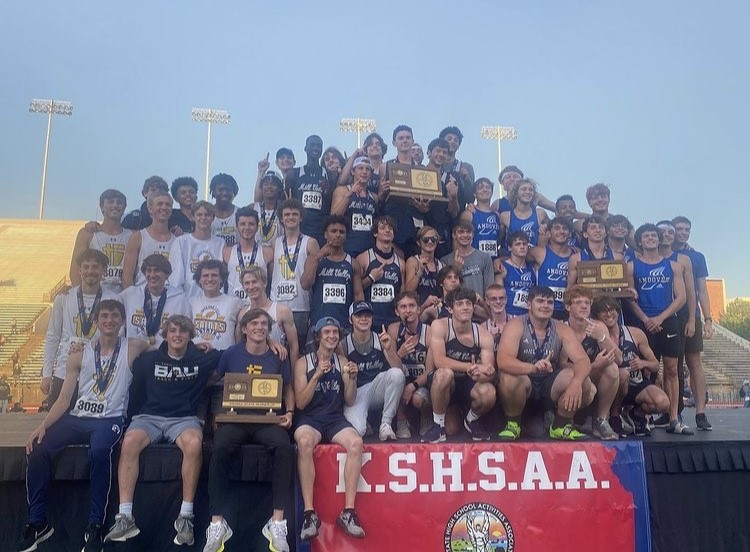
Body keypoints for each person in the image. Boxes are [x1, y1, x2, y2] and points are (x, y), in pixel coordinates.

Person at [20, 300, 148, 552]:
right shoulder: (79, 353)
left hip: (109, 419)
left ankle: (95, 526)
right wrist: (42, 426)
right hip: (78, 417)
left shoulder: (132, 348)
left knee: (100, 452)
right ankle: (38, 523)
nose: (109, 320)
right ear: (96, 321)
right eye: (104, 316)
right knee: (38, 449)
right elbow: (65, 398)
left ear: (122, 321)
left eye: (114, 316)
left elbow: (151, 342)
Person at [104, 316, 220, 547]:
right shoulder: (148, 360)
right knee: (128, 442)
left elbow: (236, 354)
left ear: (190, 336)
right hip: (149, 417)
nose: (177, 335)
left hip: (183, 419)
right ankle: (125, 517)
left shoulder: (202, 359)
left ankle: (186, 517)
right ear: (165, 334)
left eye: (183, 332)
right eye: (173, 331)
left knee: (195, 444)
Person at [201, 309, 294, 552]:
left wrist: (290, 413)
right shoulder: (231, 353)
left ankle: (276, 522)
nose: (260, 327)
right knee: (219, 447)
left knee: (284, 447)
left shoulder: (279, 354)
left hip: (267, 420)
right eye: (254, 323)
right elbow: (213, 379)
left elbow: (288, 388)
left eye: (264, 323)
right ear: (243, 329)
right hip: (235, 419)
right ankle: (217, 524)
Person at [293, 317, 365, 541]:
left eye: (335, 332)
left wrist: (352, 378)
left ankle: (349, 512)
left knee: (356, 443)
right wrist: (316, 375)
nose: (332, 336)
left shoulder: (342, 360)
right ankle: (309, 513)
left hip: (334, 418)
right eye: (327, 332)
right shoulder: (303, 363)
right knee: (304, 442)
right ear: (318, 336)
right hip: (310, 418)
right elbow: (300, 403)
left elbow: (350, 400)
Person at [496, 286, 594, 441]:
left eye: (550, 302)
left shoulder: (562, 328)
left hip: (549, 383)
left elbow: (583, 360)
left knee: (583, 381)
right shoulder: (515, 325)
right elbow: (503, 361)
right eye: (540, 301)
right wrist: (533, 367)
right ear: (529, 304)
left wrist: (576, 382)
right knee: (509, 376)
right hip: (525, 381)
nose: (545, 306)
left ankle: (561, 425)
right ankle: (513, 424)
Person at [627, 223, 690, 434]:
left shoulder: (673, 266)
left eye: (654, 235)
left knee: (672, 370)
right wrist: (646, 319)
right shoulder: (631, 266)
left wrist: (660, 318)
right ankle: (644, 417)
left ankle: (674, 418)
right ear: (640, 241)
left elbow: (681, 297)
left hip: (668, 321)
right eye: (647, 236)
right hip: (644, 322)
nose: (651, 238)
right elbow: (629, 297)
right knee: (647, 370)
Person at [43, 249, 121, 408]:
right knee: (56, 427)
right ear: (79, 270)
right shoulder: (63, 298)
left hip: (96, 373)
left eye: (95, 267)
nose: (90, 271)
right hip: (64, 372)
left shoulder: (113, 299)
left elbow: (119, 338)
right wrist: (46, 374)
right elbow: (53, 336)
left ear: (104, 270)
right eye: (86, 267)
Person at [421, 287, 496, 443]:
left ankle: (471, 420)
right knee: (444, 374)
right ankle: (438, 426)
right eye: (460, 304)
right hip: (445, 385)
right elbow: (440, 361)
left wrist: (480, 374)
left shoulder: (483, 334)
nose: (465, 307)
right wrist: (470, 366)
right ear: (450, 308)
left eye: (469, 303)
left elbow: (489, 371)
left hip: (469, 384)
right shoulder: (439, 326)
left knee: (488, 392)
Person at [591, 296, 669, 436]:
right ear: (597, 315)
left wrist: (643, 363)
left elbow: (656, 365)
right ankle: (614, 416)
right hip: (612, 386)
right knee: (621, 374)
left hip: (636, 384)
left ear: (618, 312)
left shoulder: (635, 333)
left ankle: (635, 415)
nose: (609, 314)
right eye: (604, 311)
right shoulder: (596, 336)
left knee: (662, 403)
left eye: (612, 310)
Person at [672, 215, 714, 431]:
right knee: (672, 366)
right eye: (678, 228)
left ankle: (700, 412)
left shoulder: (697, 256)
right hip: (669, 316)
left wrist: (707, 318)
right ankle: (673, 412)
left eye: (686, 229)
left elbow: (702, 290)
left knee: (694, 363)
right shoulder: (661, 252)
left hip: (691, 315)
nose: (682, 232)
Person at [563, 287, 621, 440]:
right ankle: (566, 419)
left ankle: (601, 420)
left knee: (613, 369)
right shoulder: (562, 328)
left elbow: (620, 359)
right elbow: (561, 365)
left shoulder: (598, 326)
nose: (584, 306)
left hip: (592, 376)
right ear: (568, 307)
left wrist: (602, 338)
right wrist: (593, 366)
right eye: (578, 302)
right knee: (580, 381)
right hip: (571, 378)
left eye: (587, 303)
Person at [342, 301, 404, 440]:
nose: (364, 319)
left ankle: (386, 424)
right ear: (350, 319)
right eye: (359, 315)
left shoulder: (380, 338)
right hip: (355, 393)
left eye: (367, 315)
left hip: (377, 387)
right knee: (357, 431)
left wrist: (388, 349)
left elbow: (399, 371)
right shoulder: (344, 343)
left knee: (396, 374)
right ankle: (366, 423)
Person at [301, 215, 364, 332]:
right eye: (333, 231)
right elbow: (305, 284)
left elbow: (358, 295)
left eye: (342, 232)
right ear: (326, 234)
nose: (338, 235)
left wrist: (358, 323)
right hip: (318, 325)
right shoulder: (313, 258)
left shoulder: (353, 263)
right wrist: (317, 258)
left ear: (346, 236)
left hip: (344, 326)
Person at [270, 199, 318, 349]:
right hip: (277, 304)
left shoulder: (310, 242)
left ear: (301, 217)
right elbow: (272, 272)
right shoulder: (275, 243)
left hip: (301, 306)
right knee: (277, 348)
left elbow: (313, 276)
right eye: (287, 214)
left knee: (297, 348)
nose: (290, 217)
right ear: (281, 218)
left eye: (294, 214)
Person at [388, 291, 433, 439]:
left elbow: (430, 370)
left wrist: (413, 385)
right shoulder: (393, 330)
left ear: (419, 309)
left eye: (412, 306)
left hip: (421, 383)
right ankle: (401, 421)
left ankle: (426, 418)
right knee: (395, 378)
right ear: (396, 311)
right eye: (403, 307)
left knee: (419, 399)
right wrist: (399, 354)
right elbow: (391, 367)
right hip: (401, 381)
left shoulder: (429, 331)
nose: (408, 310)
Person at [70, 189, 132, 294]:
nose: (115, 205)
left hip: (122, 296)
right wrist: (81, 297)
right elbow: (75, 269)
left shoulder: (133, 236)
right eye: (111, 201)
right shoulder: (87, 234)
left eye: (119, 202)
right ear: (102, 207)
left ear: (125, 207)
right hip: (94, 294)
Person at [119, 254, 188, 347]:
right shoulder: (129, 295)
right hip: (135, 353)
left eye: (157, 270)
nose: (152, 275)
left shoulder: (179, 299)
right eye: (149, 270)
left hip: (164, 355)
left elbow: (187, 330)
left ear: (167, 274)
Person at [238, 265, 300, 366]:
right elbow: (239, 345)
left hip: (275, 366)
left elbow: (294, 346)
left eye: (254, 282)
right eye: (247, 283)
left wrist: (293, 378)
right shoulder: (242, 314)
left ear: (265, 283)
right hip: (250, 367)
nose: (251, 287)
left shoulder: (282, 311)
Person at [383, 125, 429, 258]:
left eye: (408, 137)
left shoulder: (422, 170)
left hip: (416, 221)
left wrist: (424, 208)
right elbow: (381, 196)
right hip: (394, 220)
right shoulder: (385, 166)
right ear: (394, 142)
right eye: (401, 138)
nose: (405, 141)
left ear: (413, 141)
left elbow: (427, 199)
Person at [169, 201, 226, 297]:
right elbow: (176, 279)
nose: (203, 218)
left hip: (214, 300)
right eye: (199, 214)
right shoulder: (181, 242)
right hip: (188, 299)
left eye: (207, 215)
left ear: (213, 218)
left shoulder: (220, 243)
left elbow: (222, 276)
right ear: (193, 217)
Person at [356, 216, 404, 330]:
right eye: (382, 228)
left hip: (393, 322)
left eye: (390, 228)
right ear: (375, 233)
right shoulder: (363, 259)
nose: (387, 230)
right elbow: (354, 291)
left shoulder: (401, 263)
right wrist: (371, 278)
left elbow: (402, 295)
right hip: (370, 321)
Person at [122, 190, 176, 288]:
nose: (164, 207)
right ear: (150, 209)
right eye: (160, 204)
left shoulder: (177, 240)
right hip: (143, 294)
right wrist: (131, 298)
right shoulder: (138, 237)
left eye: (168, 205)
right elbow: (127, 276)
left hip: (170, 296)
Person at [284, 135, 330, 246]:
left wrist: (327, 191)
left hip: (320, 230)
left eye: (319, 146)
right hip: (300, 228)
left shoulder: (330, 175)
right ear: (305, 148)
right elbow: (286, 201)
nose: (315, 148)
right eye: (312, 145)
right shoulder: (293, 174)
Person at [223, 206, 274, 304]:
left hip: (258, 306)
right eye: (242, 224)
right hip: (234, 305)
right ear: (237, 227)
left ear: (257, 227)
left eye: (251, 224)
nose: (247, 227)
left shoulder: (267, 252)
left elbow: (271, 282)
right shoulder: (226, 252)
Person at [190, 260, 241, 351]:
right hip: (196, 356)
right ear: (199, 280)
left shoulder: (235, 303)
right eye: (205, 275)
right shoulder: (191, 302)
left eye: (214, 275)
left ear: (222, 279)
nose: (210, 279)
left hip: (224, 357)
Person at [331, 157, 377, 257]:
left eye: (367, 169)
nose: (364, 172)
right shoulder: (342, 190)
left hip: (369, 248)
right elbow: (333, 217)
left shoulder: (374, 197)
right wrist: (349, 195)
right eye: (360, 168)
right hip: (348, 246)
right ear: (352, 171)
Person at [529, 217, 574, 320]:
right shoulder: (539, 253)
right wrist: (499, 261)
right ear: (549, 233)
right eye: (557, 228)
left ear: (570, 233)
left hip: (566, 311)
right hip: (543, 309)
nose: (561, 231)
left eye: (565, 228)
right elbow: (516, 257)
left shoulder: (576, 255)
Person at [424, 138, 461, 258]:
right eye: (438, 151)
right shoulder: (418, 173)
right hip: (422, 226)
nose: (441, 155)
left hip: (442, 228)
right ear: (429, 152)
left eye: (444, 152)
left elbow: (454, 213)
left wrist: (454, 196)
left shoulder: (451, 178)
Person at [441, 220, 494, 297]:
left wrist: (484, 307)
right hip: (457, 306)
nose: (465, 235)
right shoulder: (445, 260)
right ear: (454, 235)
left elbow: (489, 289)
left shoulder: (485, 257)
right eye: (461, 232)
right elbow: (447, 291)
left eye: (468, 232)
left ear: (473, 234)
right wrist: (456, 270)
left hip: (479, 306)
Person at [567, 216, 623, 288]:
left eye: (601, 227)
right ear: (585, 234)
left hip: (610, 298)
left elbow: (623, 286)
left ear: (606, 233)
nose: (598, 230)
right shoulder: (576, 259)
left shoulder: (617, 257)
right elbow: (570, 288)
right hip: (587, 297)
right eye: (593, 228)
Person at [459, 177, 502, 260]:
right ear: (475, 194)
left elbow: (499, 238)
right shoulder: (468, 214)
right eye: (480, 188)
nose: (485, 190)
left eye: (488, 187)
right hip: (474, 261)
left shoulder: (497, 215)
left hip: (492, 260)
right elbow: (458, 238)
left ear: (492, 192)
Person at [403, 225, 444, 311]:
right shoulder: (413, 261)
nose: (430, 242)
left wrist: (440, 300)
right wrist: (420, 271)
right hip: (417, 311)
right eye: (425, 240)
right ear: (419, 242)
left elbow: (447, 294)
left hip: (436, 310)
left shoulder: (441, 265)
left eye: (433, 239)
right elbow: (408, 291)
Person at [499, 178, 549, 249]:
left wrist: (545, 226)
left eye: (531, 190)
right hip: (513, 258)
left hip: (534, 258)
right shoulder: (505, 216)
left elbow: (552, 230)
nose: (528, 192)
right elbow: (500, 241)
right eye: (524, 189)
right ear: (516, 193)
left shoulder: (540, 214)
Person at [497, 231, 536, 318]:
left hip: (528, 315)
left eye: (524, 244)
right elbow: (498, 295)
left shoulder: (532, 267)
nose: (522, 247)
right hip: (509, 314)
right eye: (518, 244)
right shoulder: (503, 267)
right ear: (510, 248)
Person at [439, 126, 475, 208]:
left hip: (458, 216)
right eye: (449, 138)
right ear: (441, 142)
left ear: (458, 145)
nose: (452, 141)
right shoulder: (434, 165)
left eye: (456, 140)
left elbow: (470, 199)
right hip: (433, 216)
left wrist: (467, 179)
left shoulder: (466, 167)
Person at [252, 170, 284, 248]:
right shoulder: (252, 208)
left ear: (279, 188)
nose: (269, 187)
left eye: (273, 184)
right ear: (261, 187)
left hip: (278, 253)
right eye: (266, 184)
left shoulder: (284, 209)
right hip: (256, 255)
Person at [209, 173, 240, 247]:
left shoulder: (240, 213)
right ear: (213, 192)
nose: (225, 193)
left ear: (234, 193)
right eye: (221, 189)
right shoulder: (206, 214)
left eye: (228, 190)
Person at [483, 284, 508, 352]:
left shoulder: (517, 322)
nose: (498, 302)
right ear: (487, 301)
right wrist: (490, 340)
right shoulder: (482, 328)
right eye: (493, 299)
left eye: (501, 298)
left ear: (506, 299)